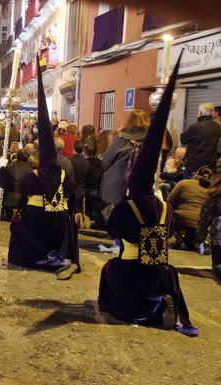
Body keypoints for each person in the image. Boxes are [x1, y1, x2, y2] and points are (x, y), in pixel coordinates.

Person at [98, 56, 197, 336]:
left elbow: (114, 230)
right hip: (161, 274)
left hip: (131, 269)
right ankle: (158, 302)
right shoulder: (165, 206)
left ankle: (134, 308)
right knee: (156, 273)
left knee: (111, 270)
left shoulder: (128, 206)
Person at [0, 61, 79, 280]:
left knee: (19, 230)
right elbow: (72, 195)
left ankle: (39, 259)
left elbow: (13, 187)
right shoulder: (64, 175)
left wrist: (3, 168)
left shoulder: (33, 177)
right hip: (60, 221)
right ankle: (60, 257)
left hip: (37, 221)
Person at [101, 109, 149, 206]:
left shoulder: (120, 137)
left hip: (116, 187)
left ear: (128, 120)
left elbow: (106, 161)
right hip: (139, 186)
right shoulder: (149, 139)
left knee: (111, 217)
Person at [167, 167, 212, 250]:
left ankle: (177, 236)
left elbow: (169, 201)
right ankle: (194, 242)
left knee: (168, 209)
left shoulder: (184, 183)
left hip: (181, 219)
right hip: (200, 223)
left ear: (196, 173)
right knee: (192, 235)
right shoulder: (211, 189)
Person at [180, 103, 221, 178]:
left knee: (190, 187)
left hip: (194, 167)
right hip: (210, 166)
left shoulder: (195, 126)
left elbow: (183, 139)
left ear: (201, 113)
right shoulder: (218, 127)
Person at [196, 175, 221, 280]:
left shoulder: (215, 194)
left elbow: (205, 216)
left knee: (217, 267)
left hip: (219, 232)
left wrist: (200, 236)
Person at [1, 148, 33, 221]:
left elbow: (4, 182)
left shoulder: (9, 166)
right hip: (23, 200)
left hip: (10, 198)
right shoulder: (30, 169)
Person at [70, 140, 89, 214]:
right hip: (81, 189)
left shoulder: (70, 161)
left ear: (74, 149)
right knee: (80, 212)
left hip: (72, 189)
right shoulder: (86, 162)